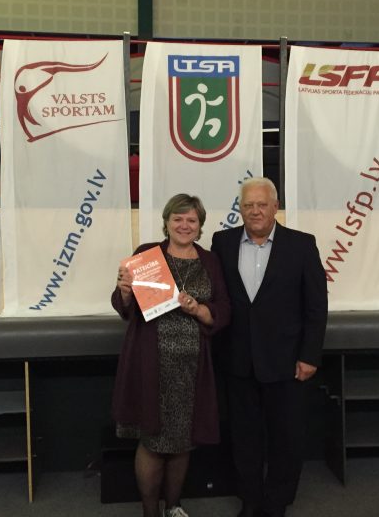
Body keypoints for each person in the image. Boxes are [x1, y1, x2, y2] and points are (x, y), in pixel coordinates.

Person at [211, 178, 328, 517]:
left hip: (288, 362)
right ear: (240, 209)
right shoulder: (222, 242)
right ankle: (250, 500)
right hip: (237, 361)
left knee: (286, 438)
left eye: (262, 204)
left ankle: (277, 502)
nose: (255, 211)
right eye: (248, 205)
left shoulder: (302, 245)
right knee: (243, 438)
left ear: (276, 207)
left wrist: (309, 355)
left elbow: (316, 306)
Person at [112, 193, 231, 517]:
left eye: (191, 220)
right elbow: (124, 308)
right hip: (151, 364)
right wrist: (124, 291)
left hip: (193, 368)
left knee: (183, 441)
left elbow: (224, 309)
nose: (184, 225)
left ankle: (174, 507)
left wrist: (199, 309)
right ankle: (150, 512)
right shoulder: (146, 255)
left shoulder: (210, 261)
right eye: (178, 219)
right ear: (166, 222)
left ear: (200, 225)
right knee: (152, 441)